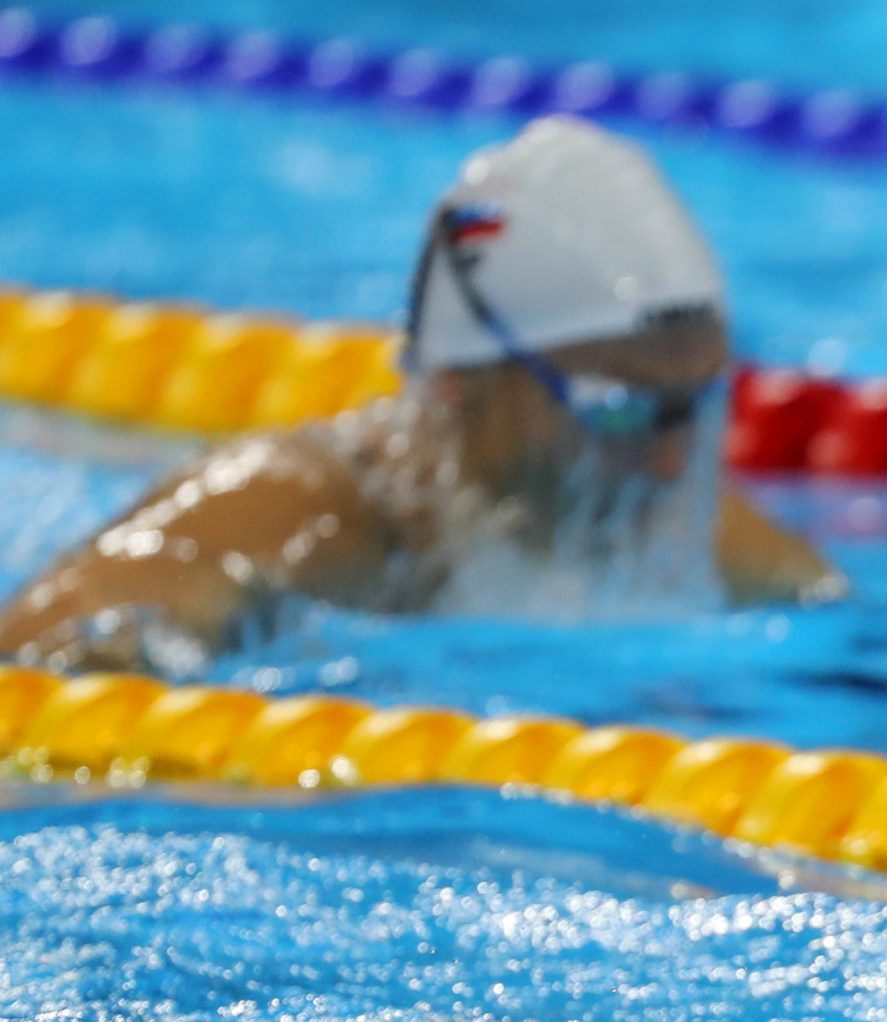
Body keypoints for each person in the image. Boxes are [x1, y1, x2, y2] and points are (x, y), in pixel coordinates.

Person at [0, 116, 841, 671]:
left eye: (695, 408)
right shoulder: (300, 510)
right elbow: (43, 664)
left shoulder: (665, 519)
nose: (667, 460)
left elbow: (884, 649)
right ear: (457, 383)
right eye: (615, 406)